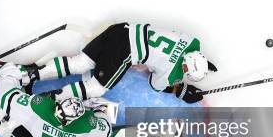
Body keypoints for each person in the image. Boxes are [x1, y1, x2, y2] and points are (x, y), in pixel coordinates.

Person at [23, 23, 217, 104]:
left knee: (80, 63)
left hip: (120, 29)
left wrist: (202, 63)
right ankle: (49, 100)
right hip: (124, 52)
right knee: (95, 89)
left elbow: (187, 50)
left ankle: (30, 74)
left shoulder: (193, 42)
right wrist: (180, 90)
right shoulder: (171, 74)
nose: (183, 73)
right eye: (185, 71)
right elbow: (154, 84)